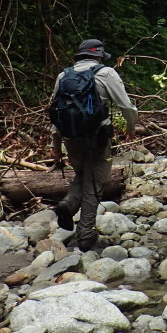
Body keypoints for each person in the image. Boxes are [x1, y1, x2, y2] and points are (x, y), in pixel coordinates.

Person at [50, 39, 138, 251]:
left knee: (82, 175)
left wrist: (55, 144)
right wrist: (131, 128)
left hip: (71, 137)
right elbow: (126, 105)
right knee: (95, 184)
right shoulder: (106, 73)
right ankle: (86, 233)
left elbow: (54, 110)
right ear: (98, 56)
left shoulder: (64, 75)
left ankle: (69, 203)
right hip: (97, 137)